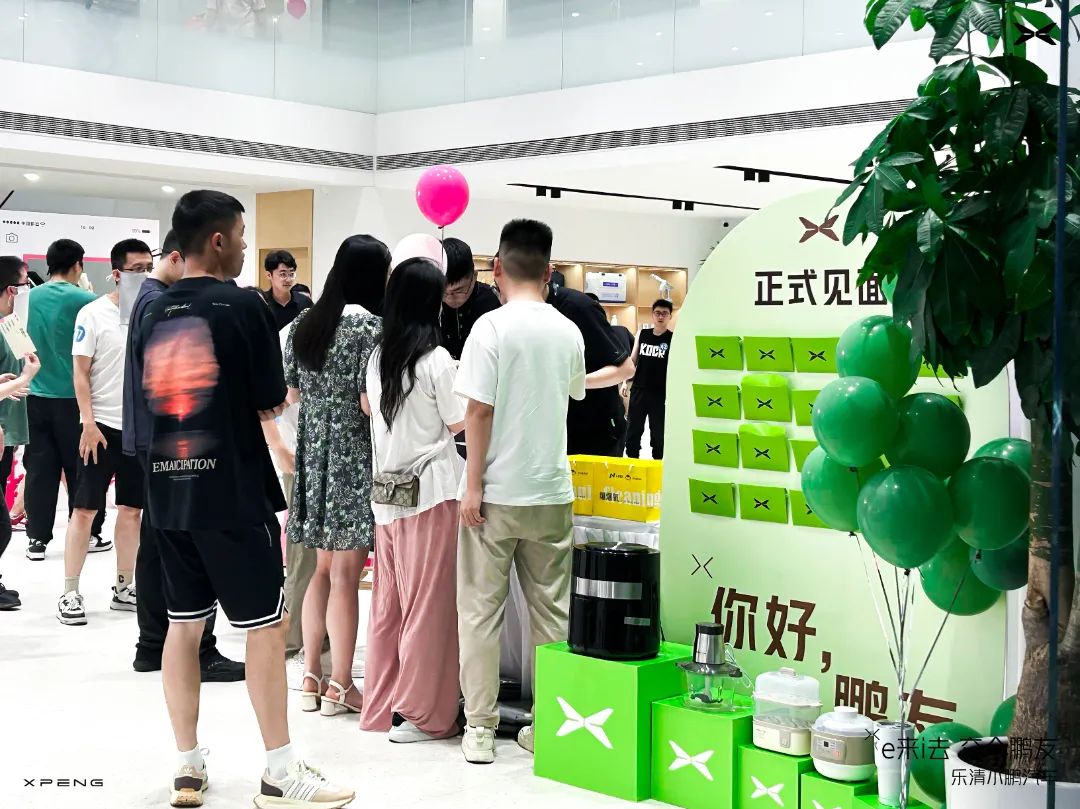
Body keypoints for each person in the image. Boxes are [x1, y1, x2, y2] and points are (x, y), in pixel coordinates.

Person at [134, 190, 352, 808]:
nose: (245, 245)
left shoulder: (150, 310)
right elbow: (269, 397)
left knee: (182, 628)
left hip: (167, 491)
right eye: (240, 234)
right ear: (219, 240)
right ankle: (280, 771)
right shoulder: (242, 305)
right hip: (229, 491)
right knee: (263, 627)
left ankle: (186, 765)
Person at [455, 219, 586, 764]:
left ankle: (480, 729)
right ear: (550, 270)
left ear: (497, 268)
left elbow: (478, 411)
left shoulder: (489, 328)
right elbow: (572, 396)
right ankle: (550, 723)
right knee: (552, 615)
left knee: (480, 613)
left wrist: (473, 483)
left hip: (495, 494)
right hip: (551, 490)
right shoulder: (568, 331)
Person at [122, 231, 243, 679]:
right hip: (168, 439)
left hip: (154, 437)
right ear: (179, 257)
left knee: (160, 543)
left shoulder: (151, 300)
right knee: (180, 544)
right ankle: (189, 646)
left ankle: (155, 644)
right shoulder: (161, 302)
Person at [361, 257, 465, 743]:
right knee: (430, 605)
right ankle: (422, 714)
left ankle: (382, 707)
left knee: (389, 605)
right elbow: (460, 421)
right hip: (431, 494)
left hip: (387, 497)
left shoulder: (378, 357)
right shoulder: (435, 360)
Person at [285, 235, 386, 719]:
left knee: (321, 571)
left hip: (313, 457)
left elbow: (291, 394)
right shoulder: (373, 329)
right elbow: (370, 403)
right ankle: (342, 684)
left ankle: (311, 675)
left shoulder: (304, 324)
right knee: (347, 575)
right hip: (355, 456)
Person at [56, 240, 152, 626]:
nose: (144, 275)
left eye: (148, 267)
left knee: (132, 511)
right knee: (84, 510)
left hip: (139, 433)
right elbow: (80, 373)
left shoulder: (153, 313)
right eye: (137, 269)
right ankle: (70, 591)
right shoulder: (92, 313)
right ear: (117, 274)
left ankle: (124, 587)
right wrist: (88, 422)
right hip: (100, 429)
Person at [23, 239, 98, 562]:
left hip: (35, 395)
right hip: (74, 399)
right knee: (80, 467)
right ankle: (87, 533)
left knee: (39, 469)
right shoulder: (88, 301)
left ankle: (36, 538)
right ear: (78, 264)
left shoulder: (28, 298)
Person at [546, 283, 635, 457]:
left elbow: (626, 368)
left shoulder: (579, 309)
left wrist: (572, 383)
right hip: (560, 428)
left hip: (596, 426)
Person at [0, 256, 39, 610]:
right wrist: (23, 379)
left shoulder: (11, 325)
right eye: (26, 284)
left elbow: (22, 364)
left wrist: (13, 381)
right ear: (12, 290)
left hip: (8, 428)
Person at [626, 299, 674, 460]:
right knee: (633, 430)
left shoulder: (672, 338)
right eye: (657, 313)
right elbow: (633, 360)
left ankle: (658, 467)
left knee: (658, 434)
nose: (660, 317)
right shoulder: (642, 334)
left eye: (664, 313)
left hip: (660, 393)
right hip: (639, 389)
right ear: (652, 315)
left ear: (670, 316)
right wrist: (625, 382)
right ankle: (632, 464)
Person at [440, 237, 500, 361]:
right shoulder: (429, 302)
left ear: (475, 275)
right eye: (443, 292)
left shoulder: (493, 301)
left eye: (459, 290)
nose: (450, 298)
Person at [263, 250, 312, 331]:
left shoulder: (305, 302)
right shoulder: (262, 303)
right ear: (269, 275)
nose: (288, 279)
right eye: (283, 274)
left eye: (291, 274)